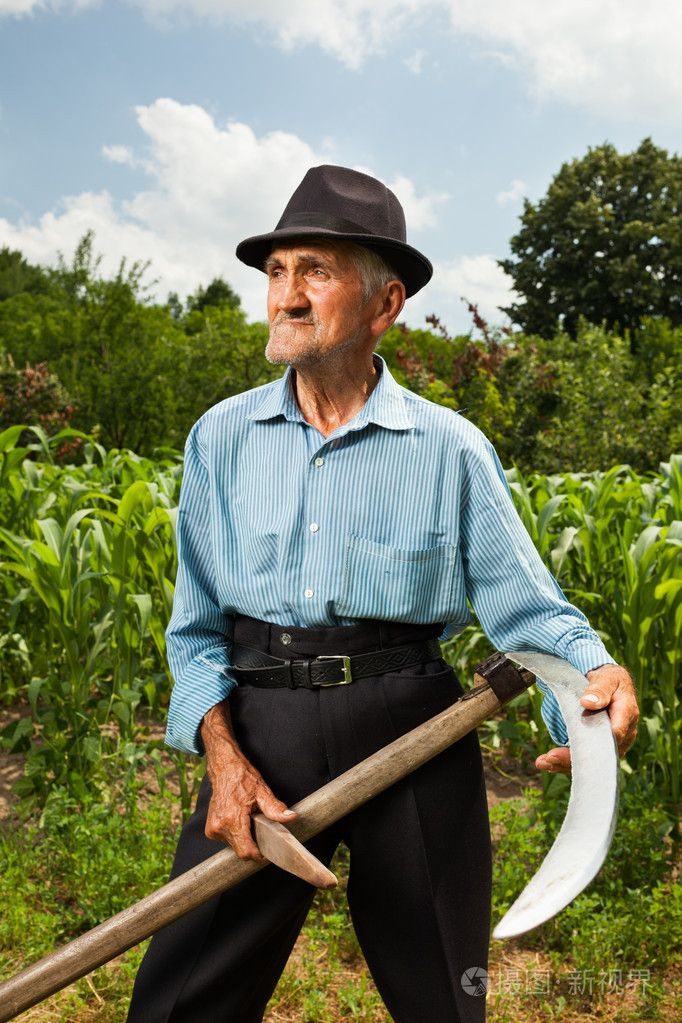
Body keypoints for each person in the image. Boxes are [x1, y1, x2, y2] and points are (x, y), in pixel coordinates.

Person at [127, 165, 638, 1023]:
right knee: (181, 998)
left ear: (385, 303)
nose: (286, 295)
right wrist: (222, 754)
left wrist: (593, 681)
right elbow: (195, 627)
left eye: (315, 272)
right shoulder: (220, 438)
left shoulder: (449, 447)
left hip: (413, 727)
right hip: (262, 728)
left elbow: (529, 612)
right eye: (277, 271)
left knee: (444, 995)